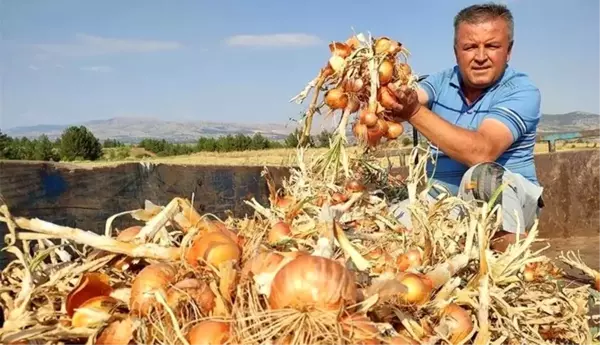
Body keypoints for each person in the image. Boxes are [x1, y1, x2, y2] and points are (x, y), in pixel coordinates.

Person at [387, 2, 544, 252]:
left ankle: (511, 264)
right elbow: (409, 98)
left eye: (492, 46)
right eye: (470, 47)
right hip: (443, 205)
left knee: (482, 177)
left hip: (507, 200)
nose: (480, 57)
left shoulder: (521, 91)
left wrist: (413, 112)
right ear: (456, 51)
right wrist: (382, 96)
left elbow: (481, 153)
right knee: (383, 224)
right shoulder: (440, 81)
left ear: (509, 50)